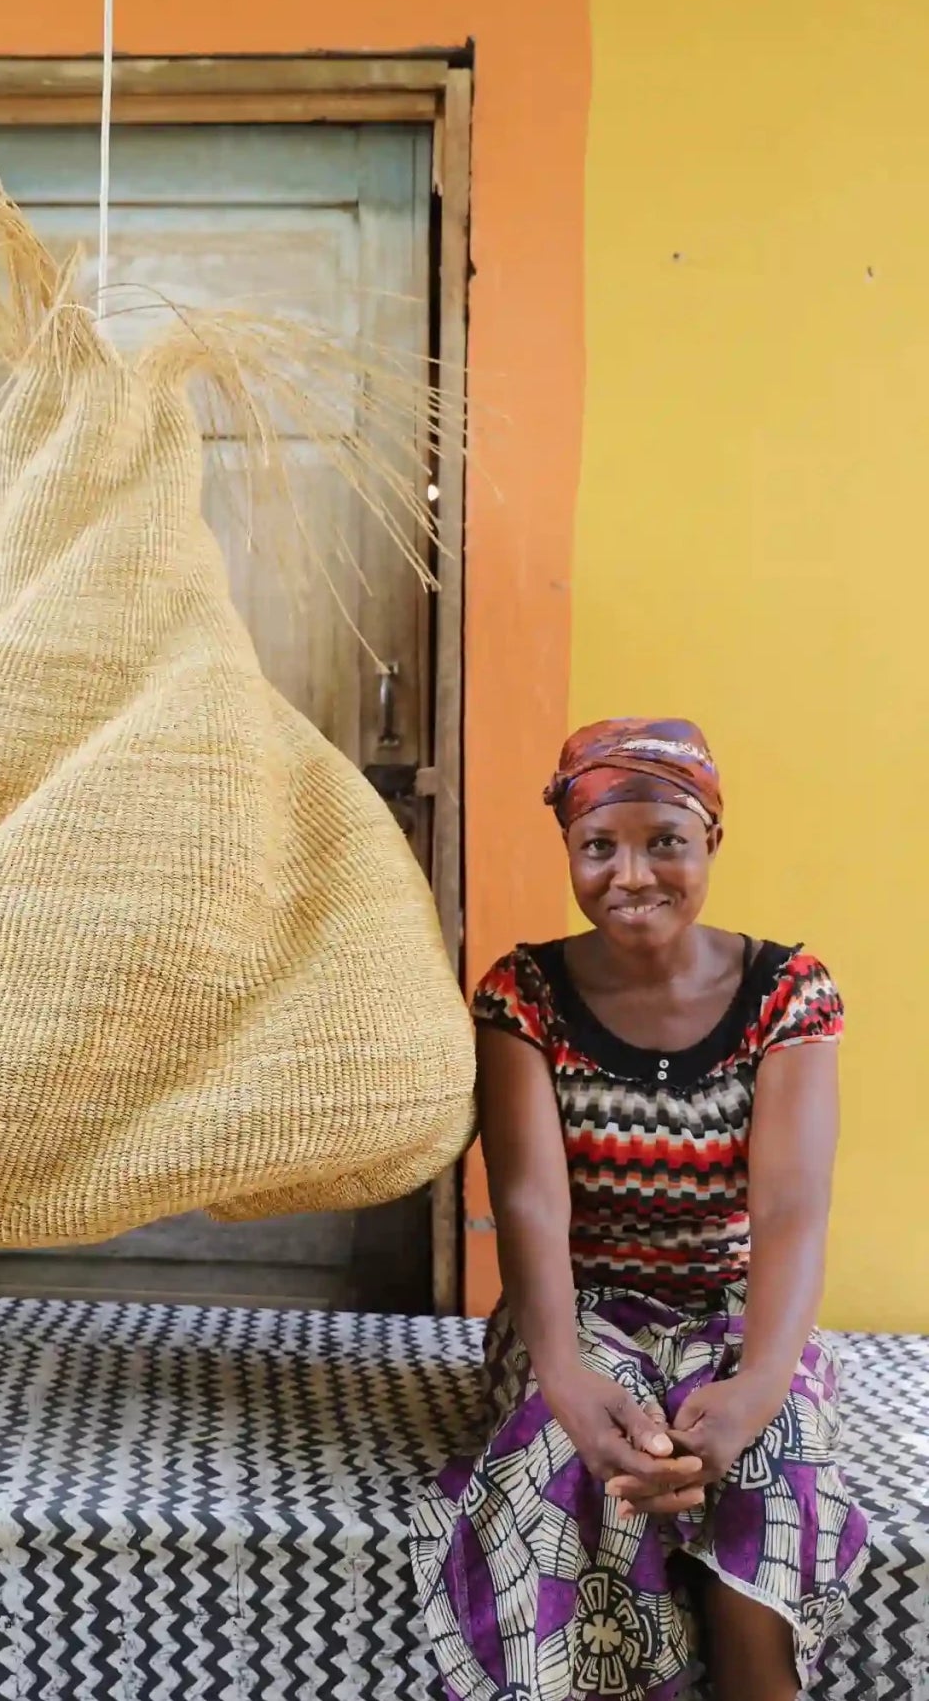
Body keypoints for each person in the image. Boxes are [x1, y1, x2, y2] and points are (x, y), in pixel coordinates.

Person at [411, 718, 868, 1701]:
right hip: (575, 1310)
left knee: (772, 1457)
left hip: (737, 1309)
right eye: (598, 846)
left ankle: (756, 1680)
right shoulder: (522, 995)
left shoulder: (788, 993)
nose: (632, 872)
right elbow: (529, 1201)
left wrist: (752, 1391)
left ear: (711, 838)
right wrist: (567, 1378)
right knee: (566, 1460)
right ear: (568, 851)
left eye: (665, 839)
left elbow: (791, 1207)